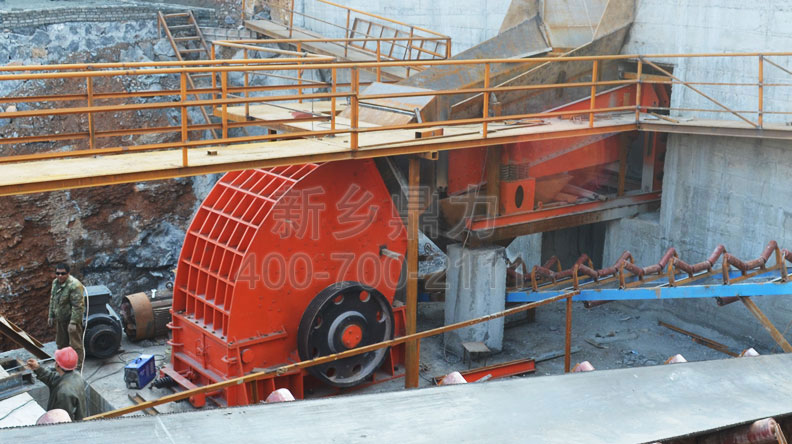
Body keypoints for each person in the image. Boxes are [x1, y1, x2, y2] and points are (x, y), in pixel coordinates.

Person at [26, 347, 87, 421]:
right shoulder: (75, 375)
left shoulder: (64, 392)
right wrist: (37, 368)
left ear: (58, 365)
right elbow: (52, 378)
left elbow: (61, 419)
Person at [49, 263, 85, 369]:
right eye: (57, 273)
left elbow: (78, 306)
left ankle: (78, 366)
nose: (60, 276)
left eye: (63, 273)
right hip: (60, 319)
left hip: (71, 319)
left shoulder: (74, 285)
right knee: (61, 343)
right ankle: (62, 364)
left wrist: (73, 322)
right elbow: (53, 300)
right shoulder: (55, 283)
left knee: (75, 344)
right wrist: (51, 315)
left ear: (68, 273)